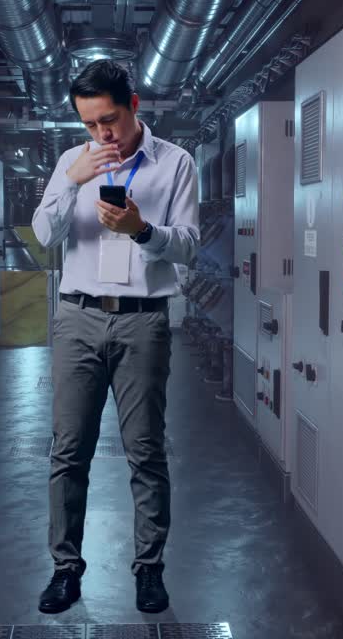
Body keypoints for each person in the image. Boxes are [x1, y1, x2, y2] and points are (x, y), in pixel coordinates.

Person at [30, 59, 198, 614]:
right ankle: (65, 569)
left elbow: (189, 245)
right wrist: (72, 180)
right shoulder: (70, 162)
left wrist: (141, 230)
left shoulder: (174, 164)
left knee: (145, 450)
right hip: (77, 318)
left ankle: (149, 569)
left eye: (110, 120)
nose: (102, 134)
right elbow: (42, 235)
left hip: (142, 321)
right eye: (89, 124)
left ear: (134, 106)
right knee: (68, 450)